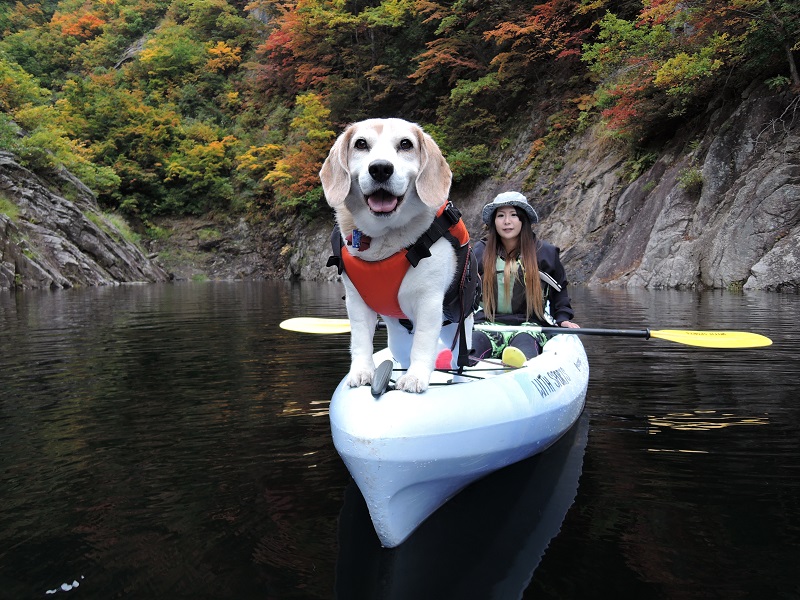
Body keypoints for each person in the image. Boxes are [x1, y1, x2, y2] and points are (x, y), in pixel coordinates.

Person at [471, 191, 579, 366]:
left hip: (529, 327)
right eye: (500, 216)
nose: (507, 221)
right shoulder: (480, 252)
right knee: (473, 346)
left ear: (524, 219)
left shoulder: (545, 253)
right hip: (487, 325)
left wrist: (563, 318)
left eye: (514, 215)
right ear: (494, 222)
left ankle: (517, 366)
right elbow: (465, 291)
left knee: (524, 347)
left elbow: (559, 293)